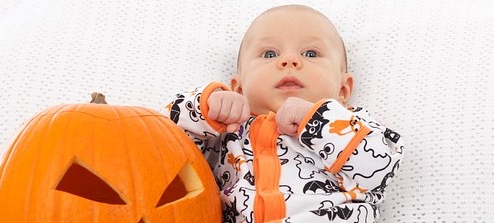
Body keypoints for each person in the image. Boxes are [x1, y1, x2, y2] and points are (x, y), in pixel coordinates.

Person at [161, 4, 404, 223]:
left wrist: (316, 119)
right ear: (240, 87)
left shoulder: (351, 125)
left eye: (311, 53)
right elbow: (162, 144)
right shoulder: (226, 132)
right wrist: (208, 106)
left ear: (342, 89)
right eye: (269, 54)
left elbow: (381, 166)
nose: (289, 60)